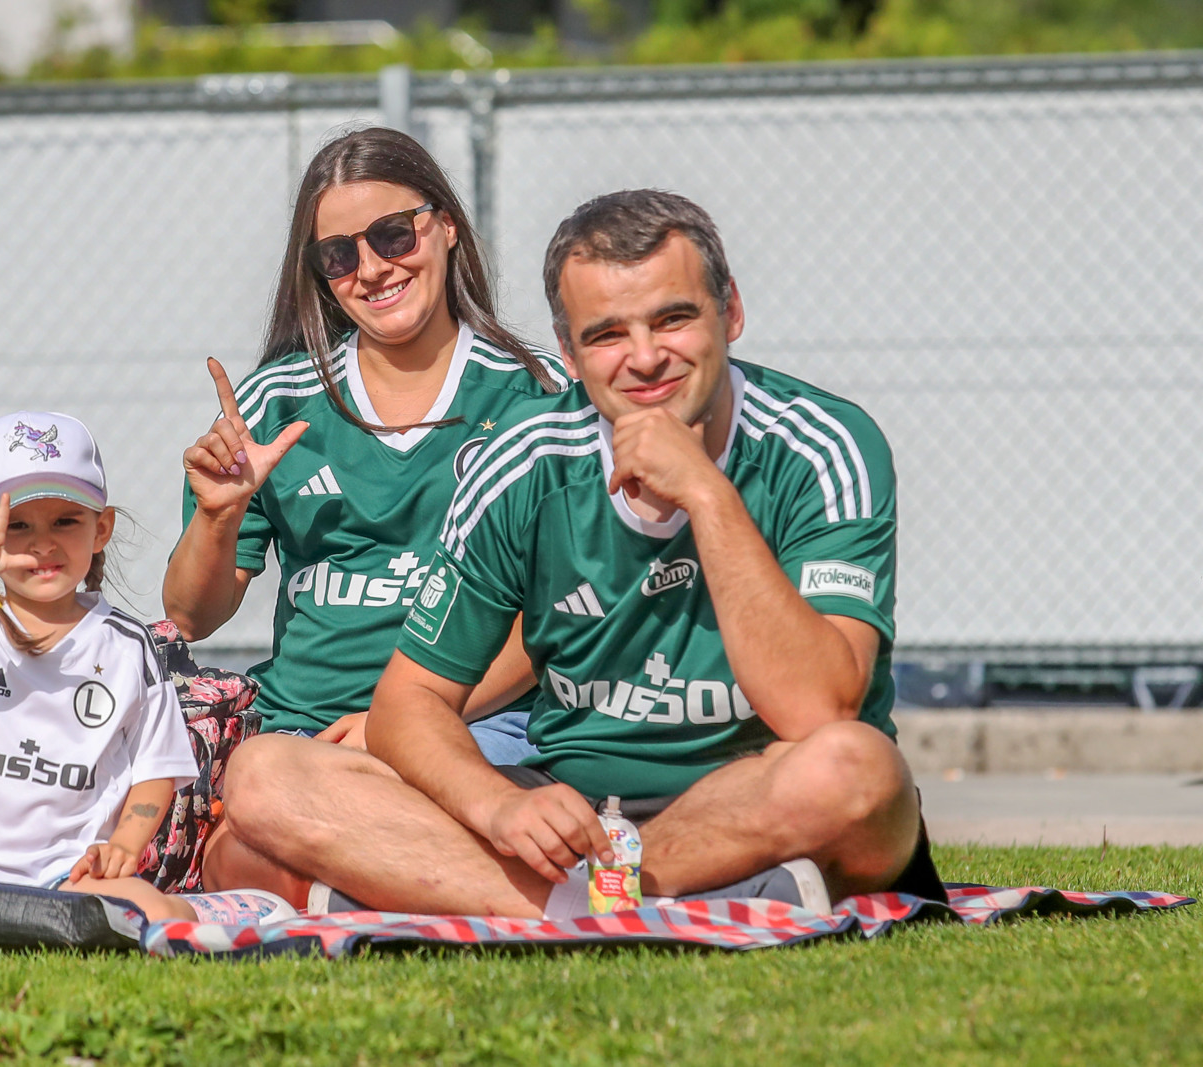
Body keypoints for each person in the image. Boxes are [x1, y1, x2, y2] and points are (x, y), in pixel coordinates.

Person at [221, 190, 943, 918]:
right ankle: (675, 897)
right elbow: (411, 702)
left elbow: (821, 708)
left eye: (673, 318)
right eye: (606, 334)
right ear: (568, 353)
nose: (645, 356)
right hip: (572, 811)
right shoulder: (523, 458)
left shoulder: (825, 445)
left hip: (756, 793)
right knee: (264, 774)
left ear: (732, 312)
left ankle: (551, 898)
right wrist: (499, 805)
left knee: (857, 771)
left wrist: (707, 494)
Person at [162, 128, 566, 893]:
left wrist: (396, 728)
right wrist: (218, 514)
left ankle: (374, 884)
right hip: (299, 727)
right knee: (237, 834)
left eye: (392, 234)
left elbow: (553, 617)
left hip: (466, 720)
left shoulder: (533, 396)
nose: (372, 269)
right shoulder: (273, 402)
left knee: (264, 833)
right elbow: (189, 613)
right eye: (340, 255)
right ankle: (458, 889)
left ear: (446, 225)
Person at [0, 410, 295, 925]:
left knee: (145, 908)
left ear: (101, 528)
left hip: (70, 879)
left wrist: (124, 846)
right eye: (16, 525)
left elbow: (157, 768)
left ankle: (211, 915)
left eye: (66, 520)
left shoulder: (128, 646)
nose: (42, 543)